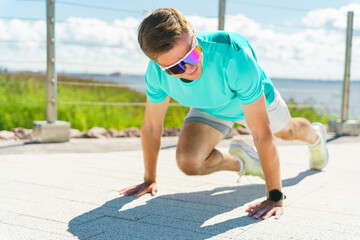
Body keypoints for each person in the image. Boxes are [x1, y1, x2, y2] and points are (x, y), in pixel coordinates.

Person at [119, 8, 329, 220]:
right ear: (159, 65)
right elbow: (152, 127)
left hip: (255, 103)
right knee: (189, 162)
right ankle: (244, 162)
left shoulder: (232, 53)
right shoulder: (156, 74)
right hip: (211, 107)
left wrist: (275, 197)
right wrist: (149, 180)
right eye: (176, 68)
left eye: (191, 54)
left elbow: (261, 134)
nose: (190, 67)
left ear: (192, 31)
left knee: (288, 133)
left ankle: (315, 136)